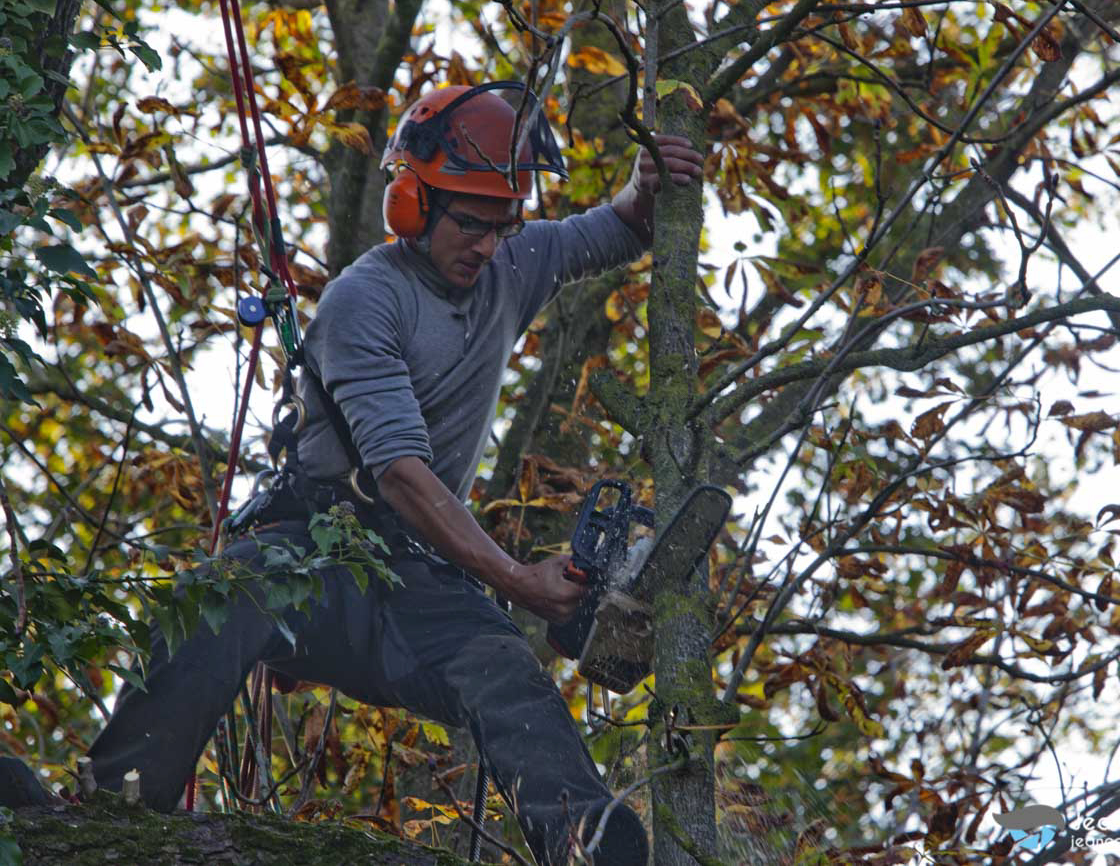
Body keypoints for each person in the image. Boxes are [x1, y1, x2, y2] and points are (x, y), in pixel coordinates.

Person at [86, 81, 705, 865]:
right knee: (222, 593)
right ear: (413, 204)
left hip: (419, 577)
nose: (487, 244)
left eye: (503, 223)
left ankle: (589, 845)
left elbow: (614, 231)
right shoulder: (364, 301)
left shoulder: (513, 263)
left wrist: (650, 190)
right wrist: (519, 579)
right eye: (471, 223)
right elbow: (403, 476)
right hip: (318, 553)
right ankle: (113, 809)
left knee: (505, 671)